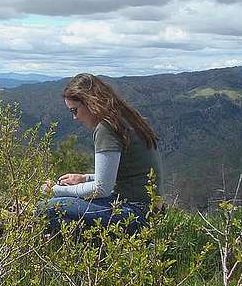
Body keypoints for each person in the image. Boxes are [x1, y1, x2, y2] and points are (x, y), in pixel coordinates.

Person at [41, 73, 164, 239]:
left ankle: (94, 245)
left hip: (135, 213)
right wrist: (84, 178)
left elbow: (101, 189)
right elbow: (123, 175)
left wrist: (57, 191)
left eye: (74, 110)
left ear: (89, 102)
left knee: (46, 209)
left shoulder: (106, 127)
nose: (74, 117)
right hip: (152, 210)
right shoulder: (125, 118)